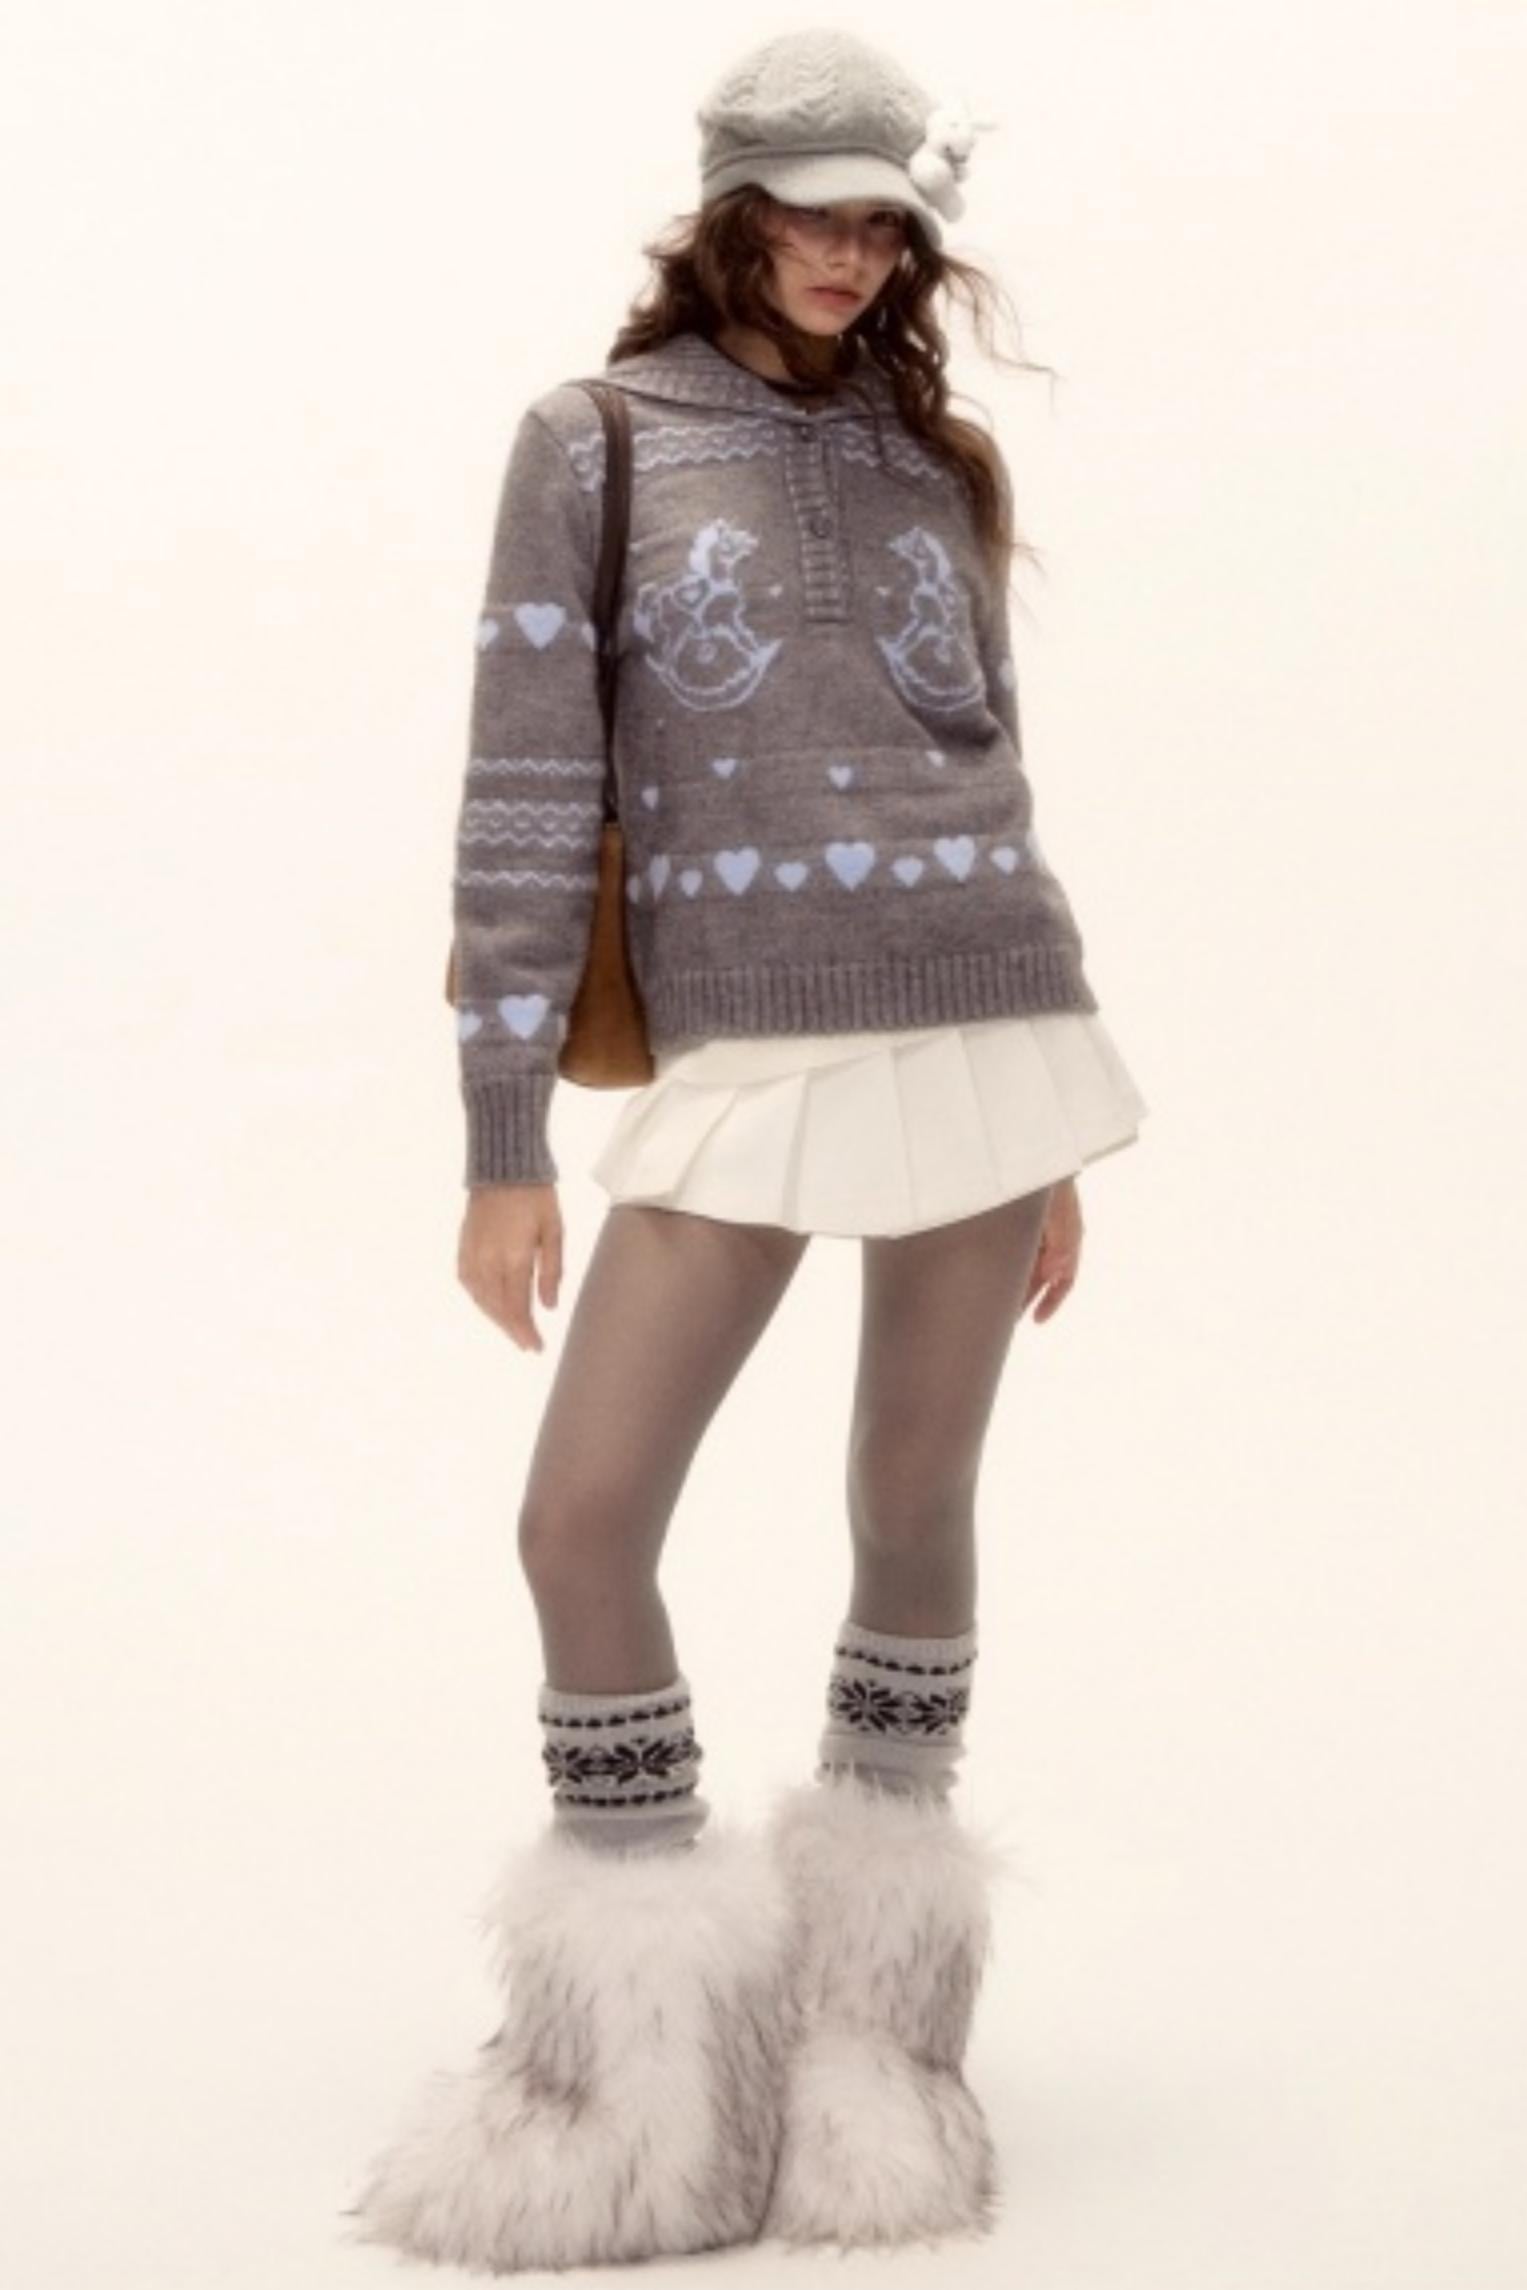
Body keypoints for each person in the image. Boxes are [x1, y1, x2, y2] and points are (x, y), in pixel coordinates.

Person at [345, 26, 1149, 2274]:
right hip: (749, 1045)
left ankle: (878, 2050)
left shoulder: (933, 456)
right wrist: (503, 1137)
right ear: (727, 212)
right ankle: (638, 2073)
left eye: (882, 219)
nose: (848, 251)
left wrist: (1053, 1113)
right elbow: (527, 798)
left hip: (984, 1014)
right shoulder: (591, 441)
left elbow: (989, 764)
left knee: (912, 1499)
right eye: (810, 211)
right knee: (581, 1515)